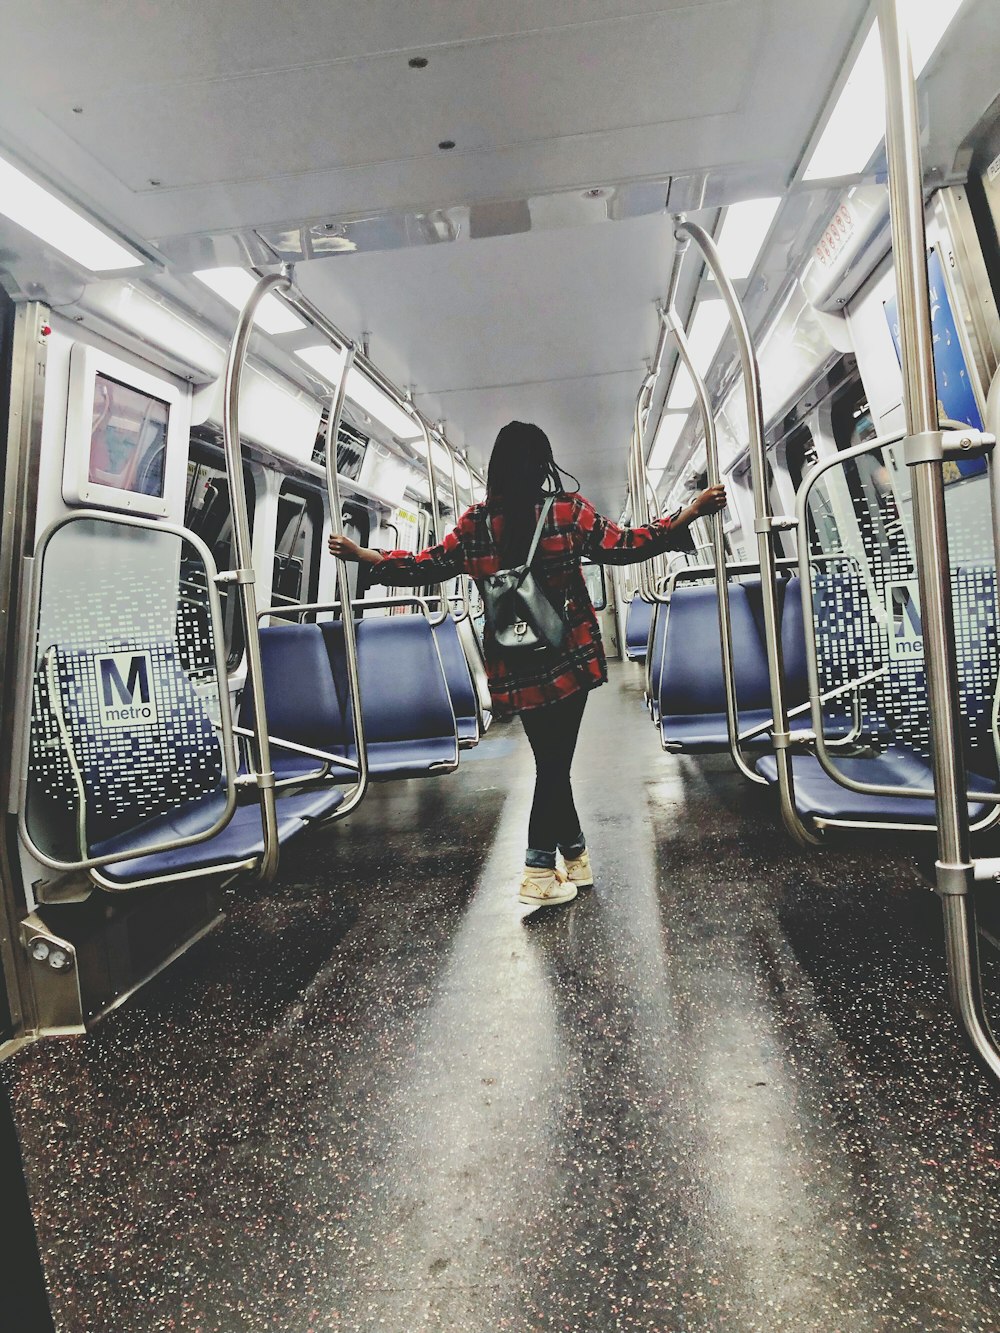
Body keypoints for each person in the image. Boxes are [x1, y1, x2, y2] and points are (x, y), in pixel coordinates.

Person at [328, 420, 726, 909]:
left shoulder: (475, 524)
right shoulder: (566, 511)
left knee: (551, 764)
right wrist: (687, 515)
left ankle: (576, 857)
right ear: (541, 464)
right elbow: (628, 546)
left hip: (514, 665)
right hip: (569, 656)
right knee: (554, 769)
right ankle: (538, 870)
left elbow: (426, 564)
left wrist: (366, 554)